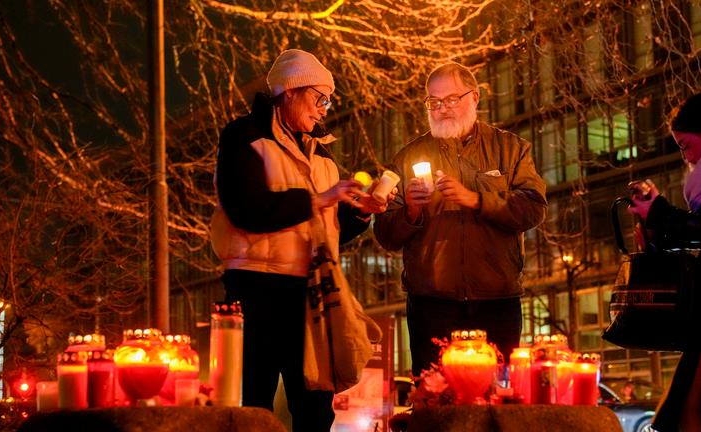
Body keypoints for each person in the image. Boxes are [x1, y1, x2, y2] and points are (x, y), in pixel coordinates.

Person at [212, 49, 391, 432]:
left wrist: (361, 212)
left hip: (310, 290)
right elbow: (247, 210)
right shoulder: (243, 136)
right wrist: (318, 199)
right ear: (290, 91)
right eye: (318, 97)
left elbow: (325, 231)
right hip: (255, 290)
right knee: (252, 404)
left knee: (314, 404)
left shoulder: (321, 153)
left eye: (328, 100)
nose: (324, 109)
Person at [373, 62, 547, 377]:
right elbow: (384, 234)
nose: (443, 109)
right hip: (431, 304)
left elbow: (534, 208)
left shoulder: (509, 148)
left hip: (496, 300)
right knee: (433, 400)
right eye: (434, 102)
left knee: (497, 398)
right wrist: (411, 211)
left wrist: (476, 200)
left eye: (452, 99)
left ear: (475, 98)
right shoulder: (408, 157)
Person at [627, 93, 701, 432]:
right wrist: (657, 227)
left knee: (699, 406)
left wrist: (660, 214)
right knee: (692, 406)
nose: (684, 156)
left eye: (685, 145)